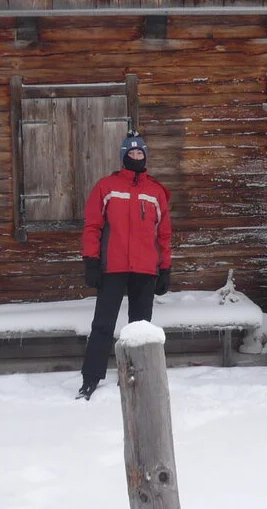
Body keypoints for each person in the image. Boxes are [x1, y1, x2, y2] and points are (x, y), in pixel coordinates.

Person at [77, 132, 172, 400]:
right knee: (103, 324)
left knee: (140, 327)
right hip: (113, 266)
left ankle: (137, 377)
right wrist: (91, 261)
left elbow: (163, 233)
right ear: (123, 157)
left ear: (145, 157)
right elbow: (93, 226)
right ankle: (91, 377)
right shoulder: (106, 187)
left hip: (145, 268)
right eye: (131, 154)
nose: (136, 157)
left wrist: (165, 268)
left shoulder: (155, 192)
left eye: (140, 153)